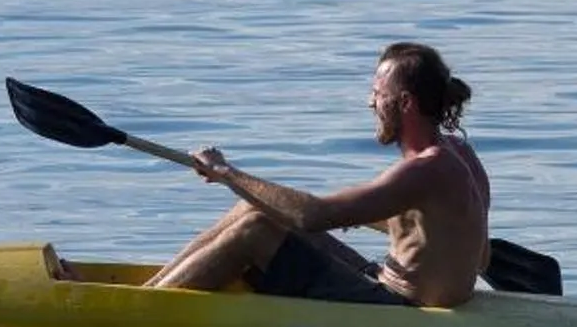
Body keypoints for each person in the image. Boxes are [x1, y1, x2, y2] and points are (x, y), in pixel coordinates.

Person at [148, 41, 491, 307]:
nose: (370, 104)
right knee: (253, 209)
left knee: (256, 230)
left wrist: (226, 173)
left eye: (377, 94)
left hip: (400, 306)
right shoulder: (459, 154)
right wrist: (362, 213)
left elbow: (314, 216)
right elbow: (465, 246)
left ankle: (147, 307)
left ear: (404, 103)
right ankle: (151, 290)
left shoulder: (425, 169)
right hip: (388, 282)